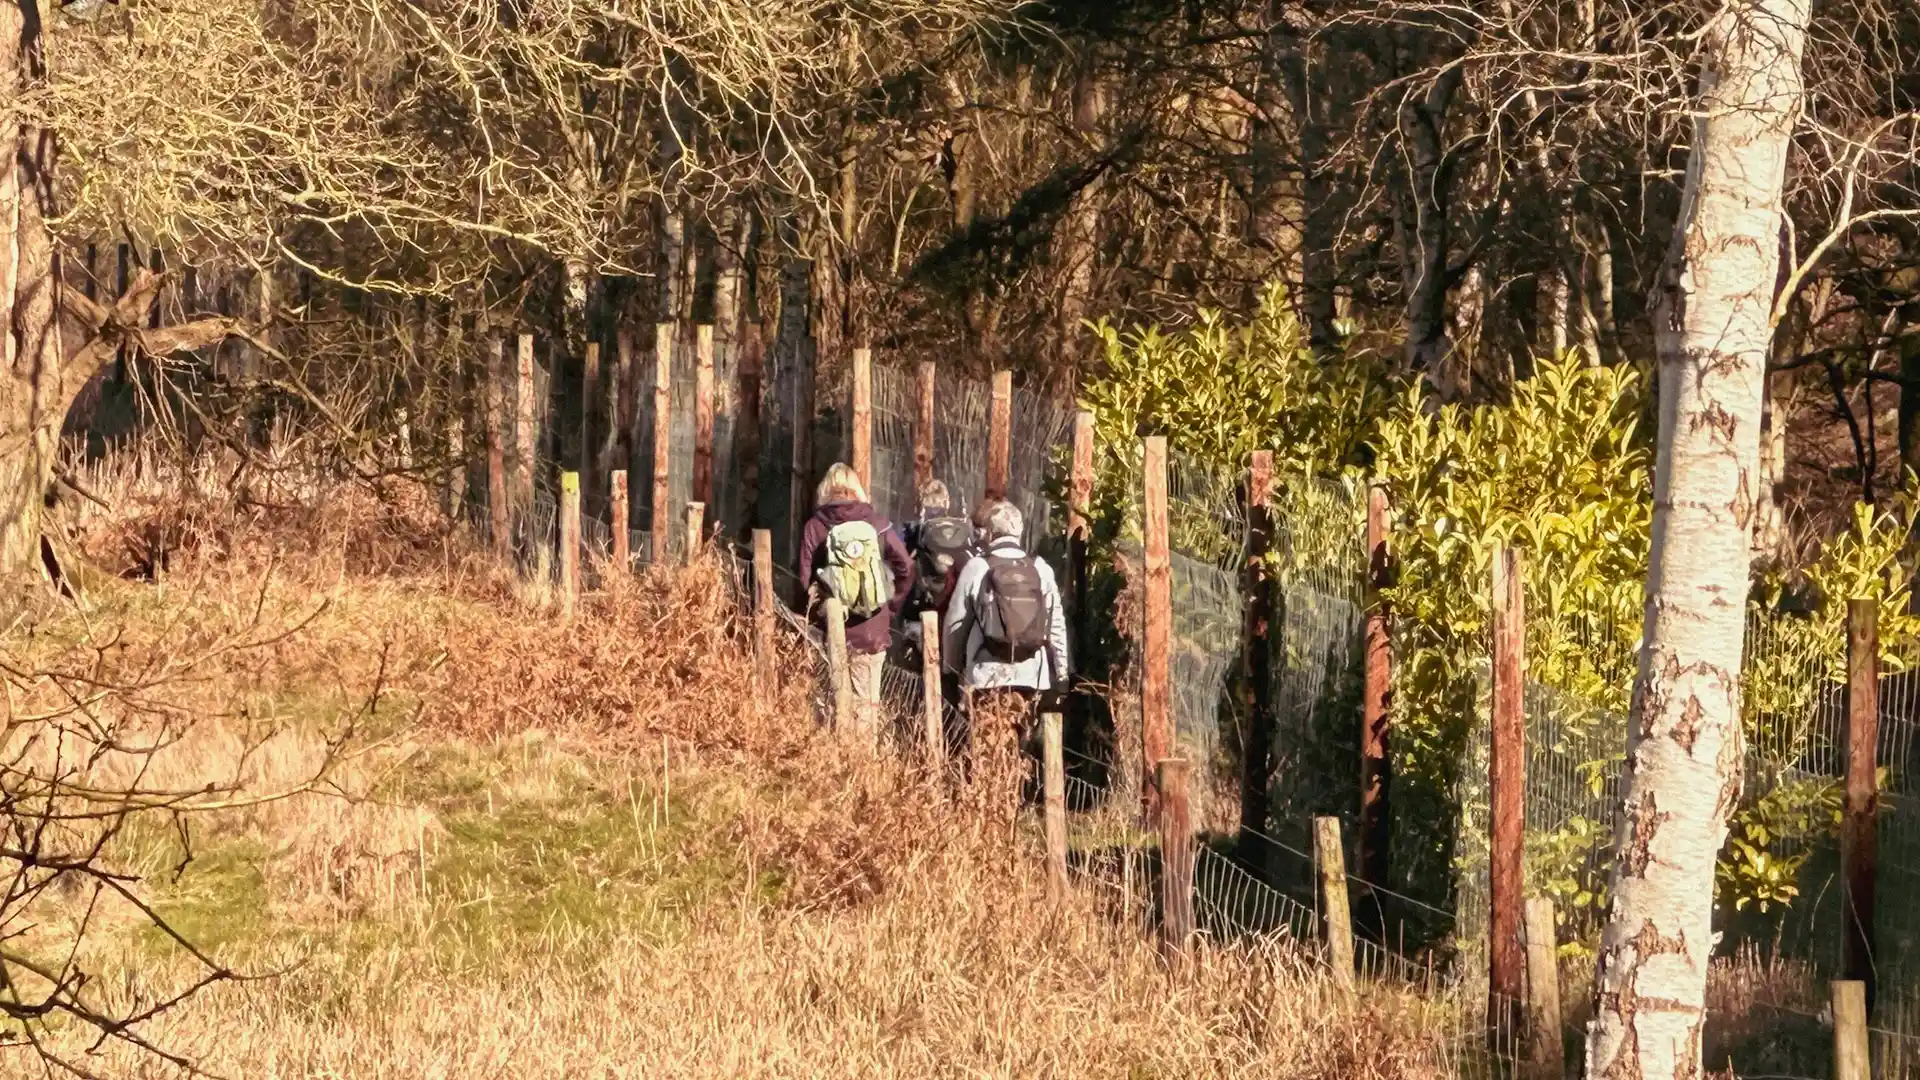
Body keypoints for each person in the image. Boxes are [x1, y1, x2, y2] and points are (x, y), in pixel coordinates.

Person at [940, 500, 1069, 769]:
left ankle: (990, 793)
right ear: (1019, 532)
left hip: (986, 676)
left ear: (990, 533)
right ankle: (1011, 792)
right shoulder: (1041, 568)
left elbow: (955, 624)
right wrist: (1061, 675)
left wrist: (950, 670)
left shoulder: (977, 568)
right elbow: (1056, 626)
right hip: (1031, 678)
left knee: (986, 751)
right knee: (1018, 752)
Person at [798, 463, 915, 740]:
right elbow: (907, 568)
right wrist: (889, 607)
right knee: (866, 706)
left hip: (829, 630)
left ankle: (834, 758)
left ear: (825, 490)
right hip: (872, 630)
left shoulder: (815, 526)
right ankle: (862, 760)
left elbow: (803, 579)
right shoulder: (877, 523)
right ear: (857, 489)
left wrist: (816, 613)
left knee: (828, 704)